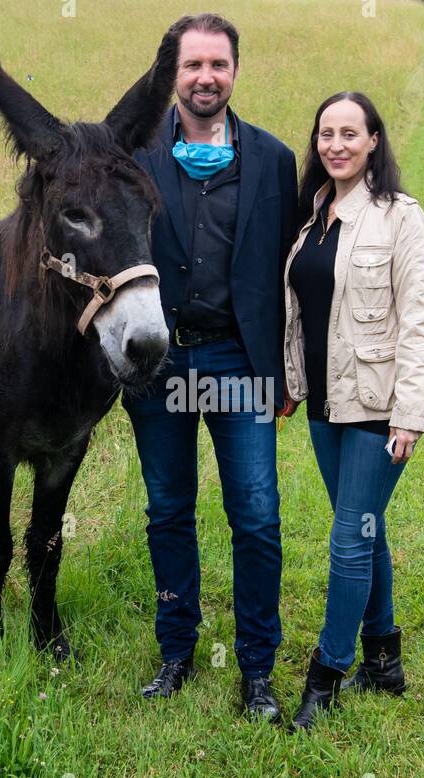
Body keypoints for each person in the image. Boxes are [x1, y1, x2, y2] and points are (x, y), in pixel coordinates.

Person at [127, 13, 298, 721]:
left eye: (217, 64)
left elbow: (287, 272)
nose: (205, 77)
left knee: (255, 517)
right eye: (192, 65)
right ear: (174, 74)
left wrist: (288, 371)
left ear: (235, 71)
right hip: (160, 361)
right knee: (169, 511)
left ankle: (257, 670)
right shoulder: (134, 156)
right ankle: (176, 651)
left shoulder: (273, 159)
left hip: (240, 360)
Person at [280, 92, 424, 731]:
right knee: (365, 526)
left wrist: (411, 412)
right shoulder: (312, 216)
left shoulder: (400, 217)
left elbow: (419, 320)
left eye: (351, 132)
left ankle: (328, 673)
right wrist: (291, 380)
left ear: (374, 139)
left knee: (348, 538)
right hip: (324, 400)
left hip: (377, 405)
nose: (336, 144)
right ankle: (385, 657)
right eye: (326, 133)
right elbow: (303, 313)